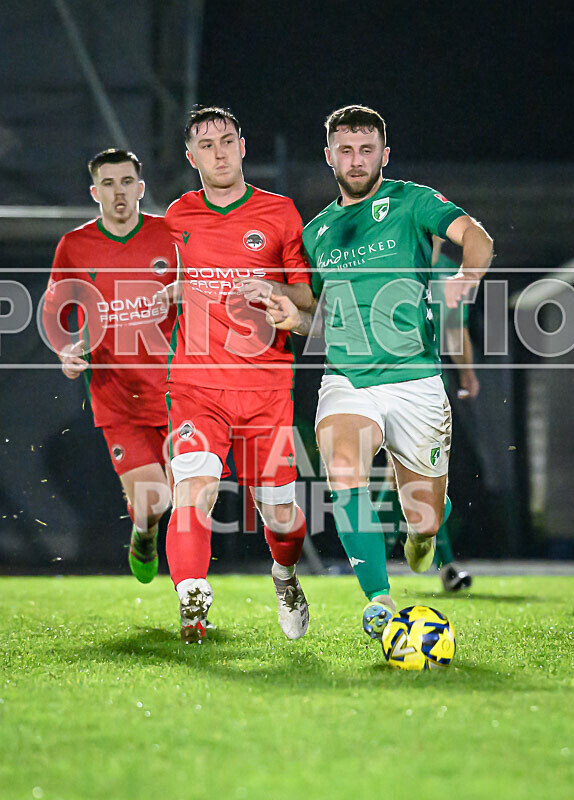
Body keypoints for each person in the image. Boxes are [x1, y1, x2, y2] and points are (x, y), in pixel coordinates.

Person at [264, 104, 493, 643]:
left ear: (384, 154)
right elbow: (314, 318)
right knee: (343, 470)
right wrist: (293, 319)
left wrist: (467, 275)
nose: (356, 159)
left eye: (367, 149)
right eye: (345, 150)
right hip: (347, 381)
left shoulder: (412, 202)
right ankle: (380, 600)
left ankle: (423, 535)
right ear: (329, 156)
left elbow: (477, 236)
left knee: (425, 521)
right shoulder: (316, 233)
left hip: (416, 382)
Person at [162, 106, 314, 643]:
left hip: (266, 391)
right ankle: (191, 595)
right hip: (196, 387)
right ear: (191, 157)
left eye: (227, 140)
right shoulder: (177, 217)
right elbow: (160, 283)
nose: (219, 152)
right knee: (194, 488)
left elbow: (306, 301)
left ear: (243, 146)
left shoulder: (280, 213)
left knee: (280, 516)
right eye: (206, 145)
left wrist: (279, 296)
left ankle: (286, 576)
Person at [42, 148, 177, 584]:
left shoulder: (171, 235)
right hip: (118, 400)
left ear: (140, 188)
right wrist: (65, 349)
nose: (118, 192)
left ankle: (192, 597)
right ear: (94, 192)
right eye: (108, 184)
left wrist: (186, 290)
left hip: (179, 394)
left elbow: (205, 287)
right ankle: (144, 532)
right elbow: (54, 310)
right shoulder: (75, 246)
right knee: (155, 500)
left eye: (126, 182)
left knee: (191, 495)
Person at [380, 237, 479, 592]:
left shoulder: (449, 274)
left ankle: (382, 557)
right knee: (406, 476)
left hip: (429, 387)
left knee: (416, 478)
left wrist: (467, 374)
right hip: (386, 383)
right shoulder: (392, 263)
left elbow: (455, 329)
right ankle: (439, 563)